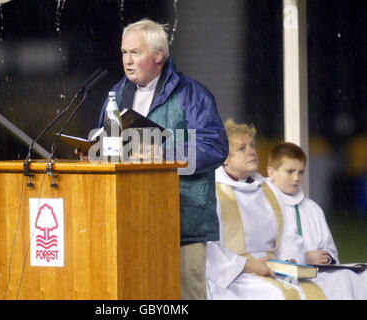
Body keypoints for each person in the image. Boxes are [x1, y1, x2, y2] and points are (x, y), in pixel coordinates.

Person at [95, 19, 229, 299]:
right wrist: (93, 149)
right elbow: (108, 142)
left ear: (158, 56)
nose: (127, 61)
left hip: (182, 219)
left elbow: (215, 146)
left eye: (135, 52)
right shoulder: (117, 96)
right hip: (130, 217)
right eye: (123, 53)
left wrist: (165, 154)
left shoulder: (193, 94)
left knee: (185, 295)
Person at [206, 118, 321, 300]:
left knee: (321, 288)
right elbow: (207, 248)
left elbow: (288, 235)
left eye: (252, 145)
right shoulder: (211, 192)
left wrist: (289, 260)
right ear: (224, 158)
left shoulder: (269, 189)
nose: (252, 151)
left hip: (274, 269)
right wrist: (247, 265)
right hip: (235, 277)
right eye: (242, 148)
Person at [266, 141, 367, 299]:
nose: (296, 178)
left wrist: (327, 258)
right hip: (276, 278)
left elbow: (329, 249)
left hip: (316, 275)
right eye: (290, 171)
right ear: (271, 172)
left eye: (301, 172)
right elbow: (257, 255)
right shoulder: (259, 204)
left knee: (357, 277)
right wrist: (303, 258)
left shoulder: (311, 208)